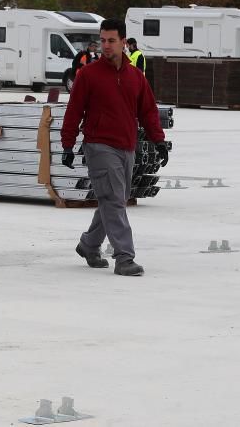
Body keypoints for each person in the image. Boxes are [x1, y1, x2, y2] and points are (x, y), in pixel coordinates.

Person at [60, 18, 168, 277]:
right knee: (113, 199)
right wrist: (67, 144)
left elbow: (148, 111)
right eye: (102, 40)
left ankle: (89, 245)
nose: (105, 46)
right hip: (98, 145)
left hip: (126, 145)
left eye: (111, 41)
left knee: (114, 199)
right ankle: (124, 257)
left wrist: (159, 140)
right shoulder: (88, 75)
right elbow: (73, 111)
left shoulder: (135, 77)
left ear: (123, 42)